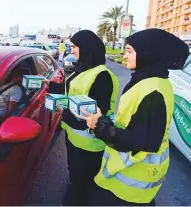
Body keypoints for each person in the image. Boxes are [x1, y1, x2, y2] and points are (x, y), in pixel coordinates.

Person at [77, 29, 189, 206]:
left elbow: (140, 141)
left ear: (148, 54)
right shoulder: (154, 80)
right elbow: (138, 123)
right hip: (131, 177)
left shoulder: (152, 90)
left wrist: (99, 125)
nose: (124, 56)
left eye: (129, 51)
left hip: (132, 182)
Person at [55, 30, 119, 206]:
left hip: (89, 143)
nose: (72, 50)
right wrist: (54, 88)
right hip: (73, 136)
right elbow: (73, 94)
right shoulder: (83, 68)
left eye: (75, 47)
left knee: (85, 181)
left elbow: (94, 113)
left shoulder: (101, 75)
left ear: (87, 48)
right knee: (75, 174)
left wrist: (63, 113)